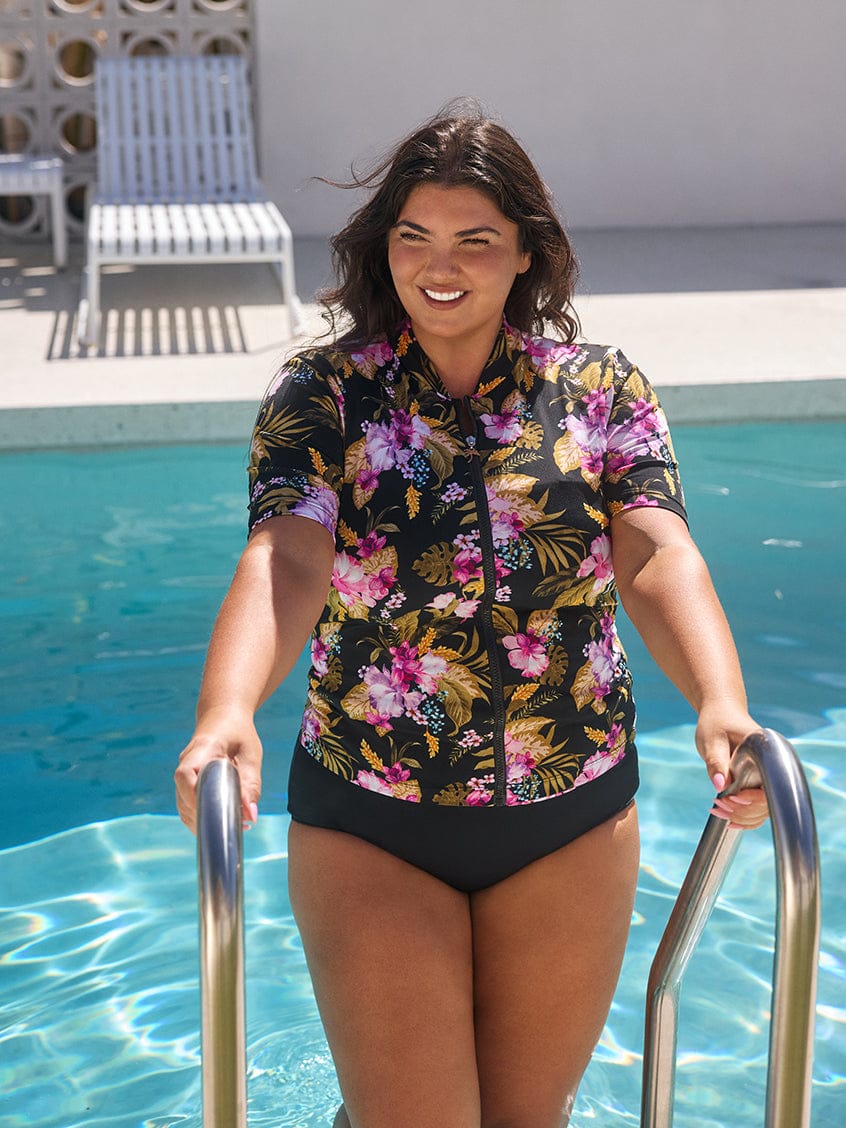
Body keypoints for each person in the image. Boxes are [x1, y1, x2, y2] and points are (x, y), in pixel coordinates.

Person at [175, 108, 768, 1128]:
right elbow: (287, 554)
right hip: (373, 817)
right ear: (383, 247)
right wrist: (227, 713)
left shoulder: (600, 391)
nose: (437, 266)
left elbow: (656, 549)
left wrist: (722, 705)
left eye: (473, 240)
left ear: (524, 252)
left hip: (568, 814)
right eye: (414, 237)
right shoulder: (322, 395)